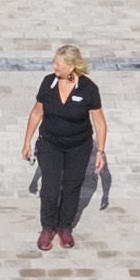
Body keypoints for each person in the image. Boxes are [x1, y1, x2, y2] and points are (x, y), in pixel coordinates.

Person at [22, 40, 108, 252]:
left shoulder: (88, 89)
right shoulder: (48, 83)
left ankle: (65, 227)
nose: (54, 67)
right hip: (50, 144)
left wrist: (100, 151)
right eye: (54, 62)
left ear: (72, 66)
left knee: (71, 186)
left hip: (78, 147)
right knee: (50, 188)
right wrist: (27, 141)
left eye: (58, 64)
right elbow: (36, 113)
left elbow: (99, 122)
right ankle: (48, 227)